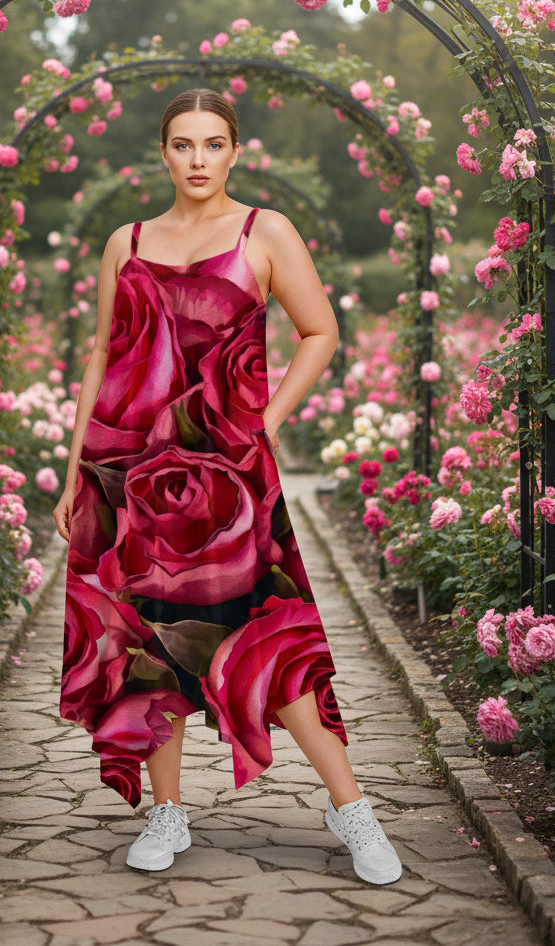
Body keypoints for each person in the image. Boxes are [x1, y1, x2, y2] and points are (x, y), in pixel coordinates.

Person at [52, 88, 402, 885]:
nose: (199, 160)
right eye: (183, 145)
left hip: (232, 473)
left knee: (269, 643)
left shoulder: (265, 231)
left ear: (235, 151)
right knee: (150, 644)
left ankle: (352, 810)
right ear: (163, 152)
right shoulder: (126, 240)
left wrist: (270, 418)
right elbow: (101, 359)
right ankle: (167, 814)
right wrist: (78, 468)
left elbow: (321, 331)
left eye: (213, 144)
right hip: (130, 468)